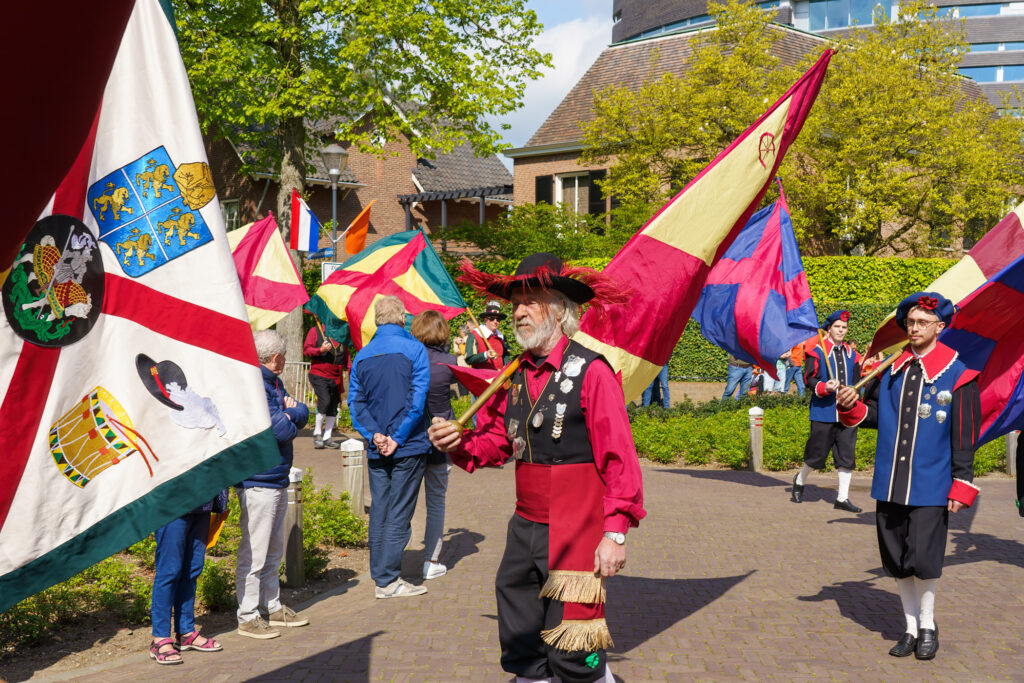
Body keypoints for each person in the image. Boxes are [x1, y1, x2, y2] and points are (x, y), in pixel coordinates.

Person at [429, 253, 646, 683]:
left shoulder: (593, 371)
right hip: (524, 527)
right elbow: (495, 444)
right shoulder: (513, 373)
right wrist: (458, 443)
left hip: (577, 531)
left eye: (532, 301)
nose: (519, 311)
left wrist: (615, 534)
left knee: (573, 652)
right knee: (522, 642)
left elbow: (619, 458)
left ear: (561, 310)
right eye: (515, 304)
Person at [836, 292, 980, 660]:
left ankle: (928, 625)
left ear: (940, 328)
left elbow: (963, 435)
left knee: (924, 559)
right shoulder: (890, 372)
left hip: (932, 484)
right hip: (890, 481)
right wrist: (852, 409)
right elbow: (875, 417)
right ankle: (910, 628)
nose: (913, 329)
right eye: (911, 322)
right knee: (897, 559)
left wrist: (962, 482)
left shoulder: (959, 375)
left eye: (921, 323)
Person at [348, 295, 431, 598]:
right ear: (400, 317)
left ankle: (380, 575)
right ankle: (387, 580)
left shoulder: (362, 355)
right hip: (406, 445)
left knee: (380, 509)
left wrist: (374, 435)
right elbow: (417, 400)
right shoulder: (415, 350)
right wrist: (396, 437)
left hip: (378, 445)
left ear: (376, 320)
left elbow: (355, 404)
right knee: (399, 511)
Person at [236, 329, 311, 639]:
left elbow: (300, 414)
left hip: (275, 475)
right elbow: (279, 429)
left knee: (273, 547)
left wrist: (296, 412)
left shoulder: (273, 383)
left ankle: (271, 604)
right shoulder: (256, 385)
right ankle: (247, 614)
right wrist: (294, 411)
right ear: (277, 358)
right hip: (259, 478)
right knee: (254, 549)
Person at [790, 310, 862, 512]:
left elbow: (857, 381)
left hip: (847, 413)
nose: (841, 330)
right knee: (816, 454)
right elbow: (809, 379)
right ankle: (800, 479)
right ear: (829, 329)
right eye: (837, 326)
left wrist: (856, 394)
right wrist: (824, 387)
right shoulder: (817, 351)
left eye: (844, 327)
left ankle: (842, 498)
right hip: (824, 411)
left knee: (846, 456)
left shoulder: (853, 354)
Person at [149, 491, 227, 664]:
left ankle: (186, 632)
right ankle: (160, 639)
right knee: (169, 571)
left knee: (193, 569)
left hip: (203, 504)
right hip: (172, 505)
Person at [410, 309, 458, 581]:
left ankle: (394, 562)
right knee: (436, 502)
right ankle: (431, 559)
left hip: (412, 437)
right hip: (441, 436)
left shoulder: (408, 360)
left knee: (404, 499)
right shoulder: (448, 362)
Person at [303, 324, 349, 449]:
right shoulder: (316, 331)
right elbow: (306, 350)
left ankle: (327, 437)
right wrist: (320, 350)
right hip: (319, 374)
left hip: (335, 377)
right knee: (325, 400)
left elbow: (346, 356)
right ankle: (317, 433)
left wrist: (351, 369)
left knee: (333, 405)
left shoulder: (342, 333)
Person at [465, 301, 511, 370]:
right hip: (482, 377)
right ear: (485, 319)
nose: (495, 321)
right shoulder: (474, 335)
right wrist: (485, 355)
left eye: (498, 319)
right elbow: (469, 359)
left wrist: (506, 366)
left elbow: (506, 354)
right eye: (492, 318)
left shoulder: (501, 336)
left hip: (500, 377)